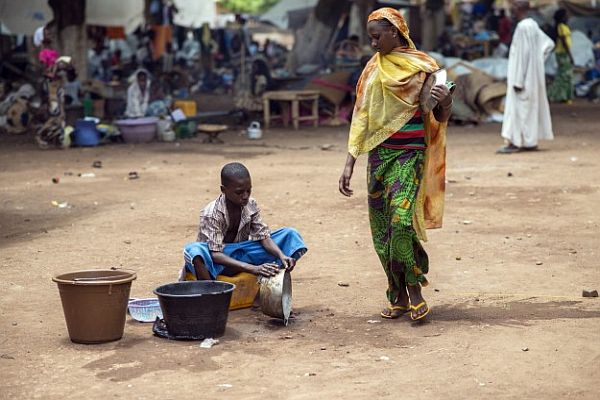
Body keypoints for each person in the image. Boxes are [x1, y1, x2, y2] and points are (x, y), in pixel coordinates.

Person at [338, 8, 453, 321]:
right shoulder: (372, 71)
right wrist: (350, 161)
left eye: (377, 36)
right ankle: (397, 295)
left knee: (401, 221)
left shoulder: (423, 67)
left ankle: (415, 292)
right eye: (370, 37)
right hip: (378, 157)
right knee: (382, 233)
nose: (373, 43)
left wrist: (445, 101)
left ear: (396, 32)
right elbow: (361, 116)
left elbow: (439, 115)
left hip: (409, 154)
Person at [180, 162, 307, 281]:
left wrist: (281, 255)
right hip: (216, 262)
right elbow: (215, 254)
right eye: (239, 192)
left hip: (243, 253)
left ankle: (270, 284)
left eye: (248, 190)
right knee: (194, 250)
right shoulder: (211, 213)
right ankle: (210, 293)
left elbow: (264, 237)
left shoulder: (251, 204)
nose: (245, 196)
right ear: (223, 190)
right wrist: (252, 268)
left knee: (290, 235)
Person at [497, 1, 554, 153]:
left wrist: (518, 80)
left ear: (518, 8)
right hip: (532, 77)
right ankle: (529, 142)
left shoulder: (523, 27)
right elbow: (548, 45)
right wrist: (537, 65)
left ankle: (515, 143)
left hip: (521, 78)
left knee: (518, 111)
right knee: (529, 111)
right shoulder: (533, 25)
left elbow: (522, 56)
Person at [547, 8, 574, 104]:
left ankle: (563, 96)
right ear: (562, 17)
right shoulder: (561, 27)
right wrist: (570, 56)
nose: (568, 17)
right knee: (565, 76)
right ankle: (556, 95)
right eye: (566, 15)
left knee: (563, 75)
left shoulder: (563, 26)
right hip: (563, 53)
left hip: (563, 53)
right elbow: (564, 42)